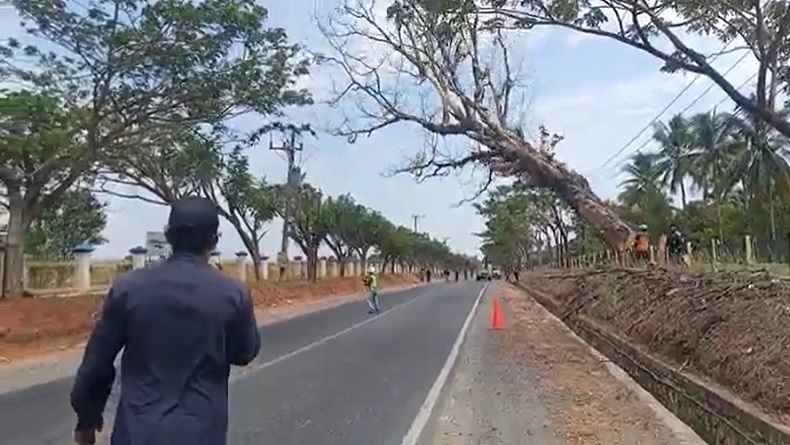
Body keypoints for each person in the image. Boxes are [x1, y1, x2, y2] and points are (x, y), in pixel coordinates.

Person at [70, 196, 261, 445]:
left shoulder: (128, 288)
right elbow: (244, 353)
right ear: (213, 239)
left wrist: (87, 419)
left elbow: (96, 364)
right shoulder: (233, 293)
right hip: (201, 433)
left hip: (136, 433)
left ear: (169, 235)